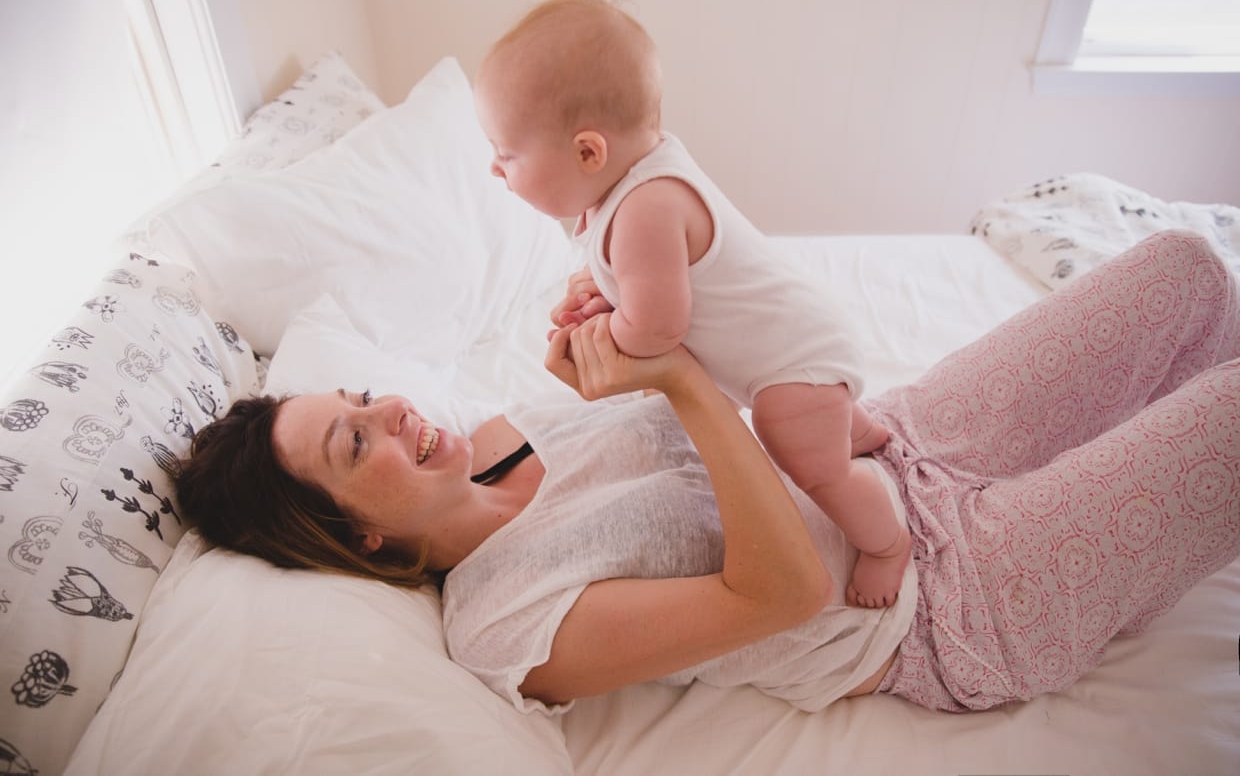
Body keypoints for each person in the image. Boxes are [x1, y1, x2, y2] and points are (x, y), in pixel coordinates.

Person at [176, 230, 1240, 714]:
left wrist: (627, 323)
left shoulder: (504, 428)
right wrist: (679, 384)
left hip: (887, 449)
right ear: (355, 533)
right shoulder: (502, 623)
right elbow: (787, 592)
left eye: (360, 399)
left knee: (1182, 272)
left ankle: (1146, 557)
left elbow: (724, 402)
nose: (388, 411)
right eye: (353, 442)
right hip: (939, 604)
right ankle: (1120, 565)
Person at [473, 0, 906, 608]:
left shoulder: (647, 207)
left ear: (588, 152)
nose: (495, 168)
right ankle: (855, 428)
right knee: (818, 422)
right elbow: (651, 282)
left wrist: (601, 335)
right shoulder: (625, 187)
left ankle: (887, 543)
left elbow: (656, 328)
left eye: (507, 153)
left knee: (809, 466)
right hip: (798, 333)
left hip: (792, 364)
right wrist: (604, 293)